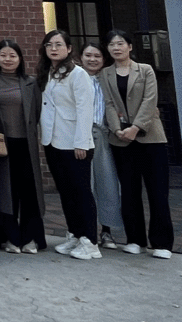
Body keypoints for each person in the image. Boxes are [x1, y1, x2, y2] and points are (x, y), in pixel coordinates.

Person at [100, 29, 174, 259]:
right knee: (129, 192)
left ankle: (162, 243)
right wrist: (117, 129)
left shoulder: (145, 70)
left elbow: (150, 100)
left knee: (157, 192)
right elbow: (109, 103)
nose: (116, 48)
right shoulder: (105, 73)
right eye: (112, 44)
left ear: (130, 47)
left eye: (120, 43)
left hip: (150, 138)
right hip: (121, 140)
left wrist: (136, 127)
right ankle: (135, 239)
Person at [38, 29, 100, 260]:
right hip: (52, 140)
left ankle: (90, 241)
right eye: (49, 45)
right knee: (65, 192)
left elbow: (85, 109)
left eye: (58, 44)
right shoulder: (47, 73)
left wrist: (81, 142)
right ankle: (75, 234)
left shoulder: (78, 74)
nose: (53, 49)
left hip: (75, 142)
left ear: (69, 48)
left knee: (81, 192)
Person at [0, 39, 46, 255]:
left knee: (29, 191)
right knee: (6, 190)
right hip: (1, 144)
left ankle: (30, 237)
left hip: (26, 144)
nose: (7, 59)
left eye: (12, 55)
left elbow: (38, 113)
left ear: (20, 59)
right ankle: (10, 237)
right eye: (3, 55)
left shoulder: (31, 83)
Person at [80, 42, 124, 249]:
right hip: (82, 136)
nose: (92, 59)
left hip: (105, 135)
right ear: (80, 58)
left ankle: (106, 231)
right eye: (88, 55)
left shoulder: (108, 79)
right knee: (84, 185)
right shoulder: (76, 78)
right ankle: (83, 231)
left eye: (97, 56)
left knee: (107, 184)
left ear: (103, 59)